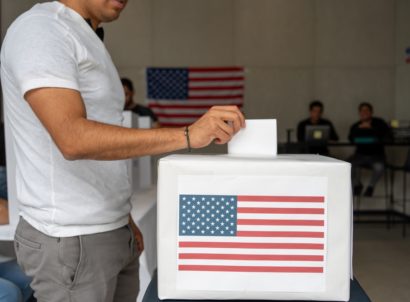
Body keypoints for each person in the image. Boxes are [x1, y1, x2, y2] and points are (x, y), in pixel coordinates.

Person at [0, 1, 245, 301]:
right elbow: (72, 138)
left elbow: (101, 135)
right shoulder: (42, 29)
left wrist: (122, 218)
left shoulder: (85, 33)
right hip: (71, 236)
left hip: (110, 230)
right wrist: (188, 135)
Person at [348, 102, 391, 197]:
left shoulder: (380, 123)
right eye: (362, 110)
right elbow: (351, 139)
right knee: (347, 166)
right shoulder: (356, 125)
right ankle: (357, 184)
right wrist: (359, 130)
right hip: (359, 155)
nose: (364, 112)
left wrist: (371, 128)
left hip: (377, 155)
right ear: (359, 112)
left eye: (367, 110)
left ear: (371, 112)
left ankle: (370, 187)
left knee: (379, 167)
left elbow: (388, 137)